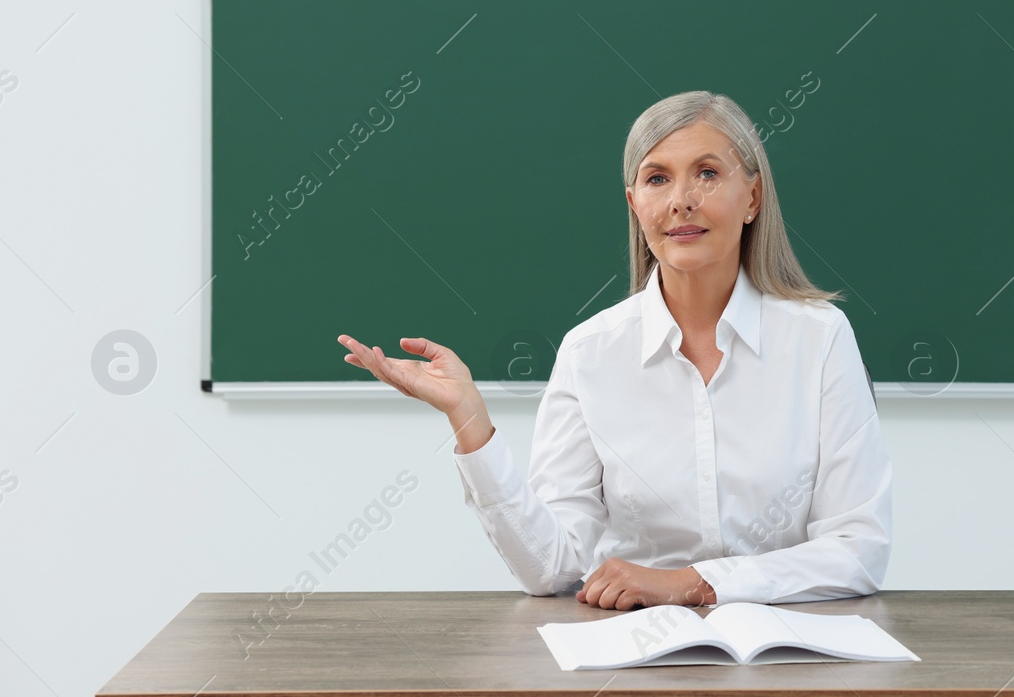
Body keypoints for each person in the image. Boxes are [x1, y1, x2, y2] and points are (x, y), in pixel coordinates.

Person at [338, 91, 892, 610]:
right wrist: (470, 420)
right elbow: (551, 566)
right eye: (657, 178)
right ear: (634, 202)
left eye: (707, 173)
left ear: (752, 197)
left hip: (790, 660)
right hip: (635, 657)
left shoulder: (820, 338)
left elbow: (858, 548)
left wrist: (693, 584)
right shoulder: (589, 354)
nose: (681, 201)